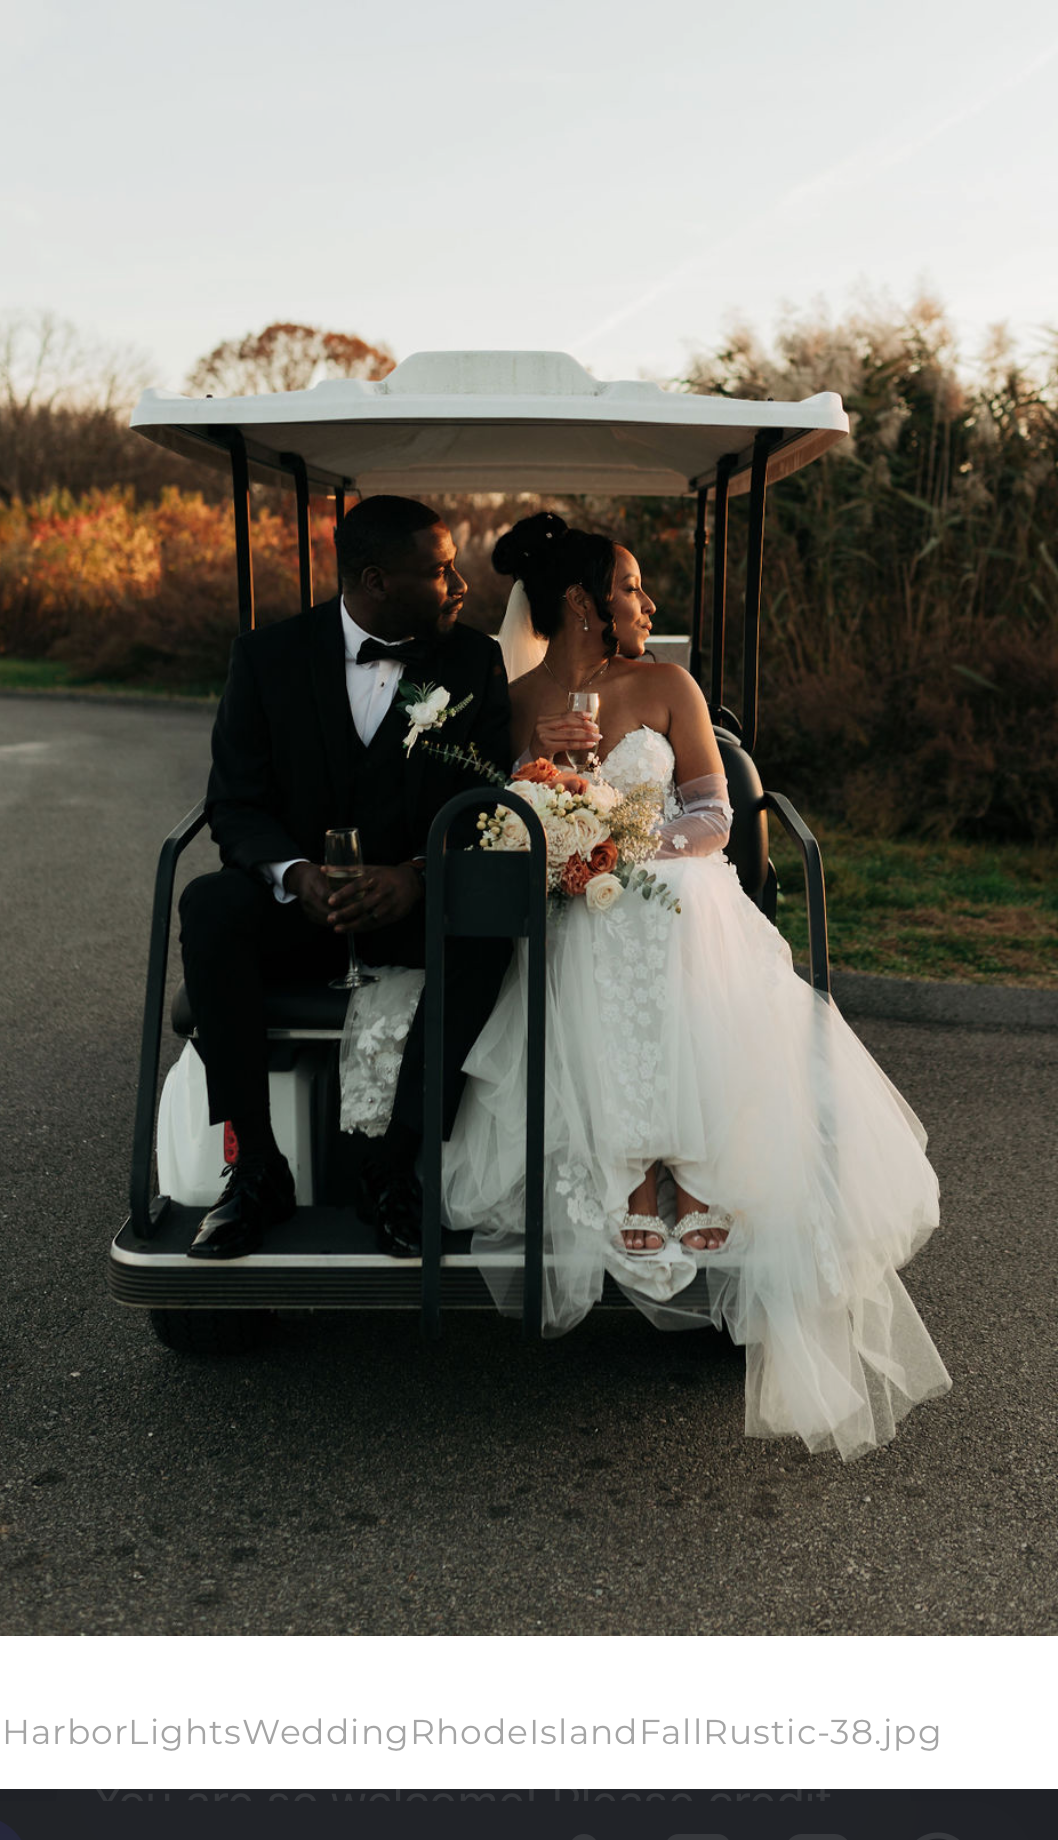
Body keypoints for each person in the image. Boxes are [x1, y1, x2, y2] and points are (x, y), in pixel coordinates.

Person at [442, 512, 952, 1459]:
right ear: (578, 602)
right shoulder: (517, 697)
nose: (646, 603)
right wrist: (552, 785)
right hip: (573, 892)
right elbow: (512, 820)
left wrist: (622, 847)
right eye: (631, 587)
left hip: (670, 879)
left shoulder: (667, 683)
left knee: (653, 899)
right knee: (604, 909)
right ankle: (639, 1167)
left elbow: (713, 814)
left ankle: (680, 1166)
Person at [178, 494, 511, 1260]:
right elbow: (234, 802)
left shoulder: (472, 662)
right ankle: (256, 1166)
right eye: (440, 570)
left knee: (491, 923)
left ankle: (396, 1167)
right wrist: (296, 877)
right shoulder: (266, 659)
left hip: (416, 915)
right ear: (375, 579)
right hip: (303, 915)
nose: (459, 583)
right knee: (209, 904)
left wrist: (420, 875)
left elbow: (486, 801)